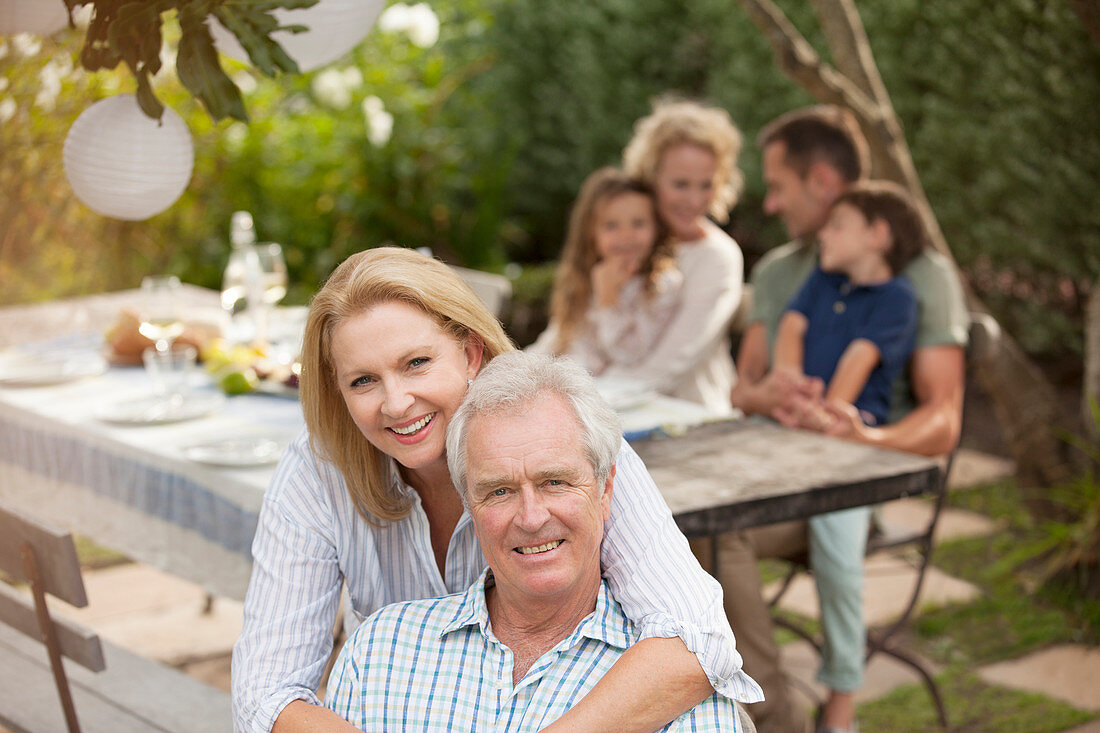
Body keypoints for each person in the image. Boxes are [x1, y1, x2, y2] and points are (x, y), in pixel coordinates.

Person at [231, 247, 763, 733]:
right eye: (363, 381)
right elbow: (265, 696)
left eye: (417, 363)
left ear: (470, 354)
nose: (396, 403)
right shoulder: (319, 470)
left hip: (559, 698)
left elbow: (699, 640)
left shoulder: (561, 438)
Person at [325, 351, 754, 732]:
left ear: (606, 491)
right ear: (469, 507)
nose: (531, 518)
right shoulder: (380, 652)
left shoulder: (681, 700)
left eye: (555, 482)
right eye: (499, 491)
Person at [722, 106, 969, 733]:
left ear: (825, 183)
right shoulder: (782, 272)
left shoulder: (918, 277)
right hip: (775, 462)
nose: (770, 205)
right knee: (666, 528)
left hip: (851, 479)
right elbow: (742, 390)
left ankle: (775, 719)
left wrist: (863, 434)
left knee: (722, 534)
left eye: (778, 186)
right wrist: (772, 394)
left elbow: (944, 419)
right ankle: (734, 705)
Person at [613, 98, 744, 414]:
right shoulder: (626, 238)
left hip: (691, 418)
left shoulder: (718, 257)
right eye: (681, 184)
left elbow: (669, 367)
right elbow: (575, 330)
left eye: (706, 185)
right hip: (617, 407)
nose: (694, 199)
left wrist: (582, 401)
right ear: (651, 176)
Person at [772, 180, 927, 431]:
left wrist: (826, 414)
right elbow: (791, 324)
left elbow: (860, 357)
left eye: (836, 226)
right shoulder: (823, 279)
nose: (823, 234)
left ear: (876, 235)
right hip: (800, 413)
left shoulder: (897, 297)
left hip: (851, 421)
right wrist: (791, 387)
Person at [528, 167, 683, 388]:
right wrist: (519, 366)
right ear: (591, 232)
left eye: (638, 223)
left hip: (605, 393)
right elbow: (557, 339)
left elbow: (628, 355)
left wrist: (608, 299)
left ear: (656, 228)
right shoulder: (584, 277)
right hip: (563, 383)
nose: (626, 236)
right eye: (611, 225)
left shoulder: (662, 284)